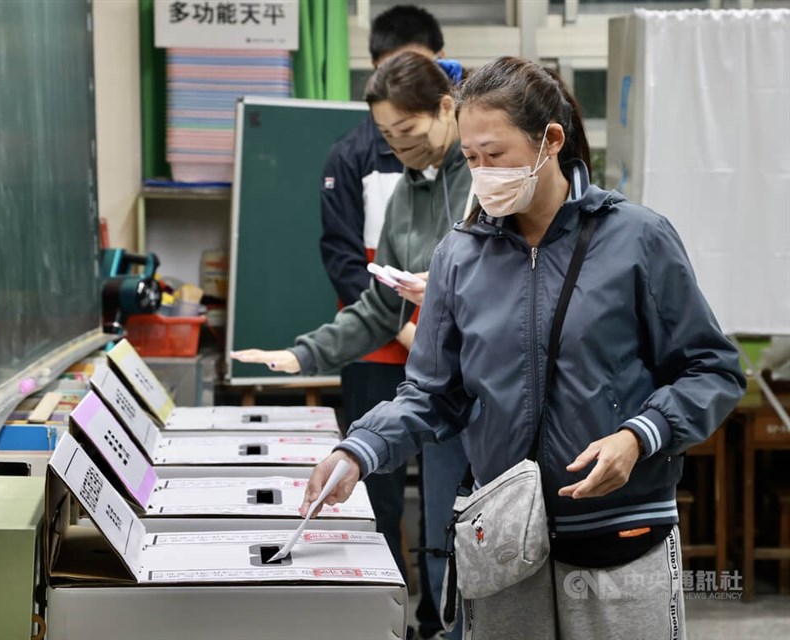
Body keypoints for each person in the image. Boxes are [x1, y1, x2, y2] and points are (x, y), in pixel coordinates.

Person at [295, 56, 746, 640]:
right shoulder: (458, 257)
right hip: (503, 539)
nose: (482, 173)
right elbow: (431, 394)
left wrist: (640, 436)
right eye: (470, 158)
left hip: (622, 535)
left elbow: (713, 369)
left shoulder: (637, 238)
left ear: (550, 141)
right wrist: (359, 450)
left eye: (496, 154)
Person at [232, 50, 471, 640]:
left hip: (500, 396)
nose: (397, 148)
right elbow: (379, 304)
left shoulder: (488, 176)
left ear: (447, 108)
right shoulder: (406, 194)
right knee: (443, 536)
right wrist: (303, 355)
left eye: (408, 132)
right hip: (442, 391)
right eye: (386, 136)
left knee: (496, 547)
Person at [317, 8, 446, 639]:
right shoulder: (352, 155)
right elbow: (344, 262)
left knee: (451, 498)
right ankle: (389, 620)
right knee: (380, 493)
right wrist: (404, 333)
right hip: (380, 354)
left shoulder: (465, 157)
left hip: (455, 354)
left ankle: (438, 618)